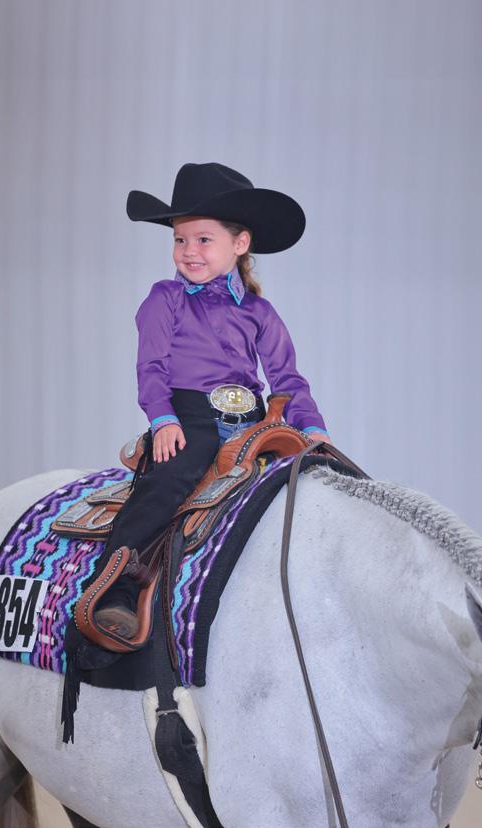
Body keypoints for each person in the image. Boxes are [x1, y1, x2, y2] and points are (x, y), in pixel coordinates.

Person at [95, 162, 332, 638]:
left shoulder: (260, 311)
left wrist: (312, 429)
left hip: (254, 419)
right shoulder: (165, 299)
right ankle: (114, 588)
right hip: (190, 416)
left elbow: (286, 378)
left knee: (308, 484)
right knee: (168, 482)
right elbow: (151, 367)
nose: (189, 251)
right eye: (180, 240)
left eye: (203, 239)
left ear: (239, 243)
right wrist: (163, 420)